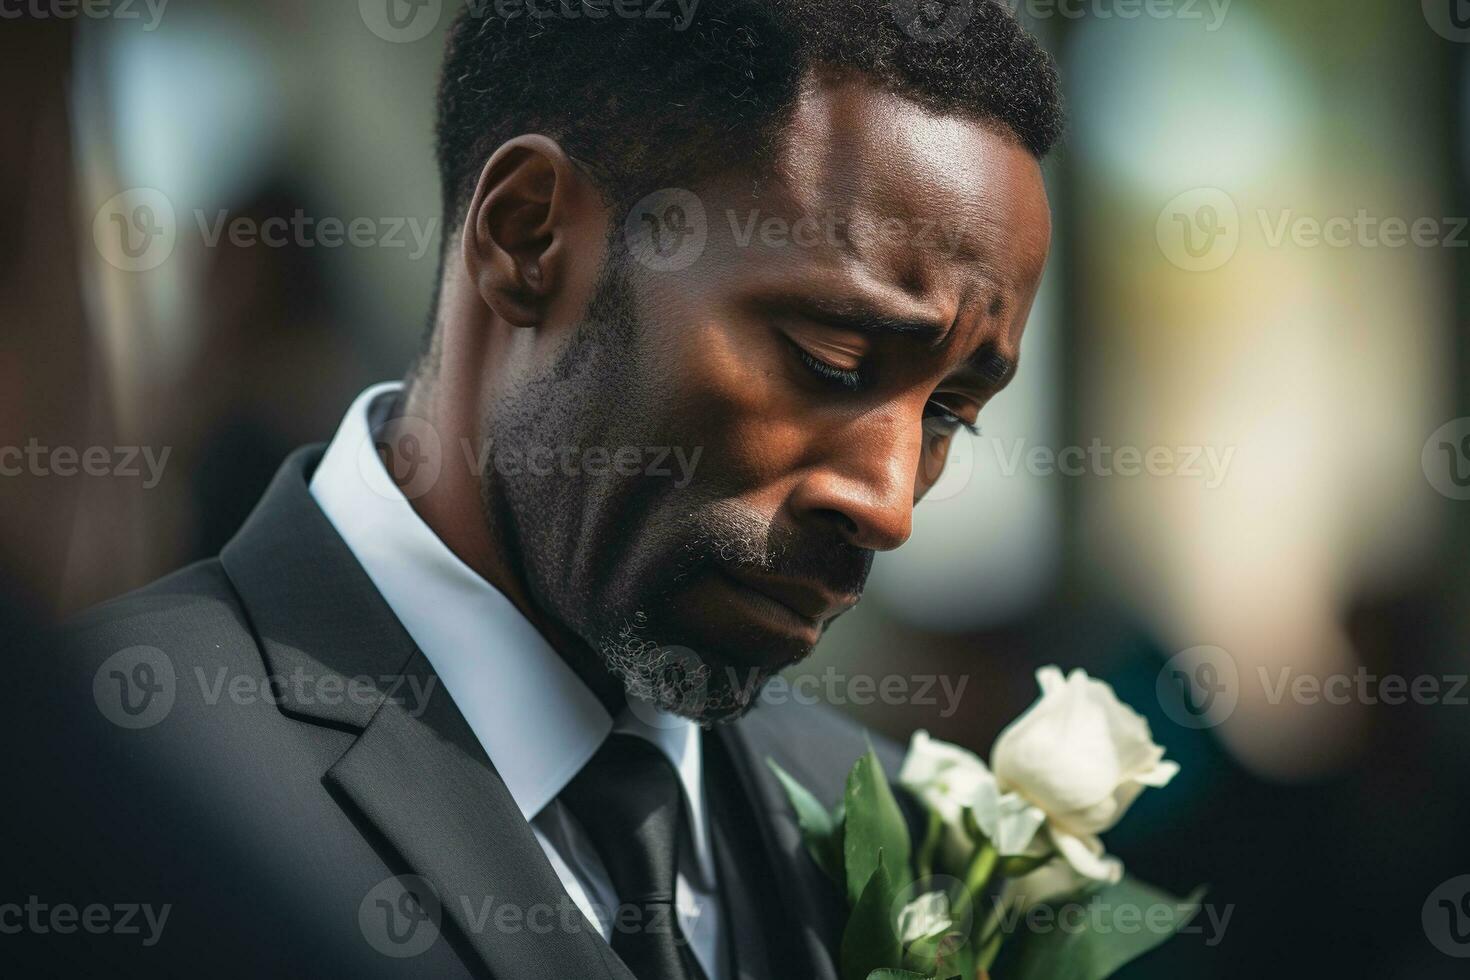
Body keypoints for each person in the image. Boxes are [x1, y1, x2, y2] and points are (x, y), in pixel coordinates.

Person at [30, 2, 1061, 976]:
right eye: (829, 359)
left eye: (949, 414)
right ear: (528, 236)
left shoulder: (907, 839)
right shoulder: (78, 780)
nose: (891, 503)